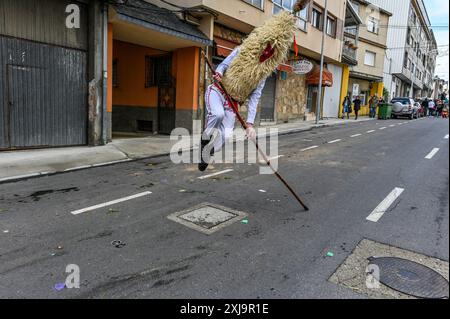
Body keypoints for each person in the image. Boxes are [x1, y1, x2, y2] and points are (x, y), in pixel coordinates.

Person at [199, 47, 265, 172]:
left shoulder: (263, 75)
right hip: (218, 91)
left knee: (227, 135)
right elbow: (223, 65)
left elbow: (255, 97)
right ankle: (204, 142)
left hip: (232, 102)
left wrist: (250, 124)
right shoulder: (241, 51)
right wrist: (219, 73)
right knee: (218, 114)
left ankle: (208, 152)